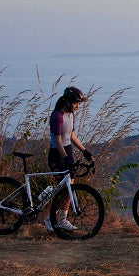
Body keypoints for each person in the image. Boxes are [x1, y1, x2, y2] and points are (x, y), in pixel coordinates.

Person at [45, 85, 92, 232]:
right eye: (75, 103)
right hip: (57, 154)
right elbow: (57, 141)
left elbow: (72, 136)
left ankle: (62, 220)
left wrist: (85, 151)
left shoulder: (71, 115)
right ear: (67, 101)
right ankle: (49, 219)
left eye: (78, 103)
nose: (77, 106)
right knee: (64, 188)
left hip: (68, 151)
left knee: (69, 188)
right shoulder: (57, 116)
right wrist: (65, 158)